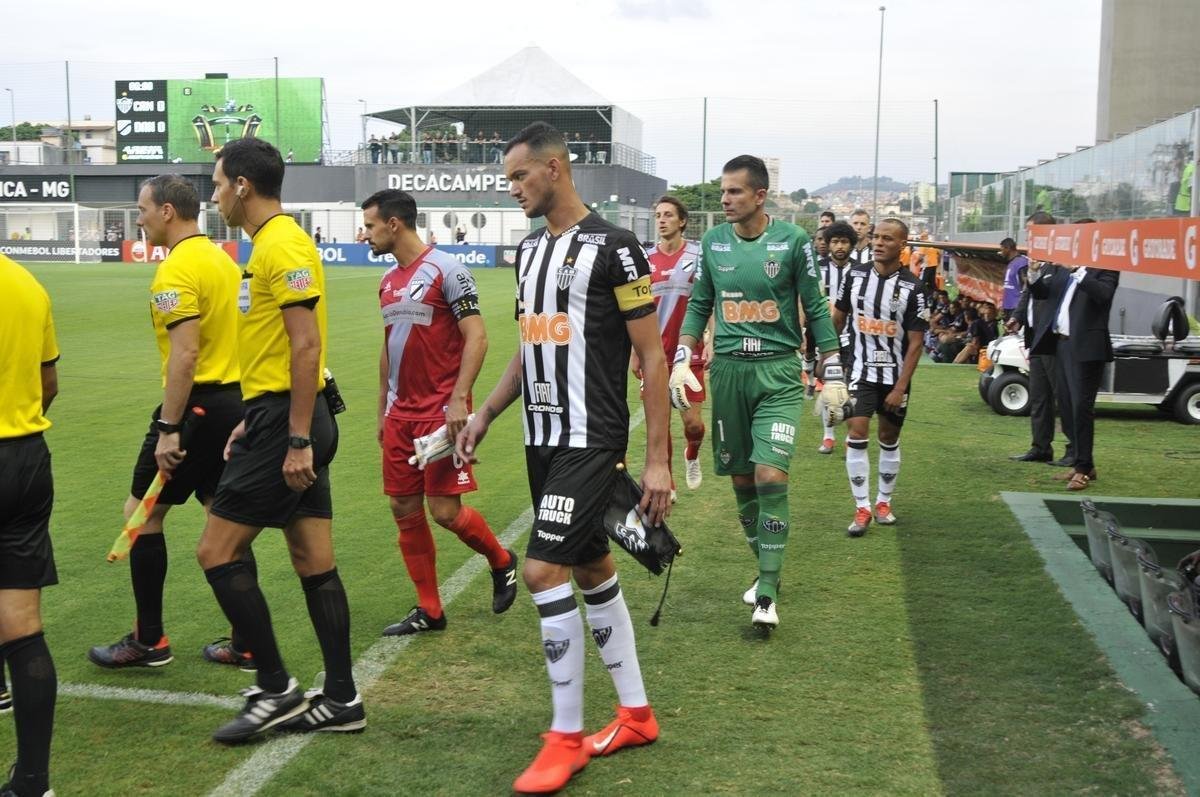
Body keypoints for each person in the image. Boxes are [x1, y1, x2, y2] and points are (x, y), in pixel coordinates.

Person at [456, 122, 671, 795]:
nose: (513, 189)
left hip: (591, 436)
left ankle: (565, 736)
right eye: (509, 180)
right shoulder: (527, 252)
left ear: (556, 167)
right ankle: (636, 713)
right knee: (590, 563)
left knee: (543, 567)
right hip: (540, 436)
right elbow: (529, 343)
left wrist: (657, 460)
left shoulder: (616, 247)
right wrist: (488, 411)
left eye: (520, 176)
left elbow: (653, 355)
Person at [198, 137, 363, 742]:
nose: (214, 194)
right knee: (312, 557)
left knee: (216, 551)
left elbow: (306, 345)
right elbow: (278, 347)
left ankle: (276, 689)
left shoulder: (284, 243)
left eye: (217, 183)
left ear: (242, 184)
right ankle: (342, 698)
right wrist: (254, 411)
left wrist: (294, 438)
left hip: (293, 424)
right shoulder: (266, 245)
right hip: (279, 413)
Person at [86, 175, 252, 672]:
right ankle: (246, 642)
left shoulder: (175, 272)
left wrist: (169, 426)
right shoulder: (224, 262)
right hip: (233, 403)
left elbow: (186, 355)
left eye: (141, 209)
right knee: (222, 523)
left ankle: (149, 640)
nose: (137, 218)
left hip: (196, 410)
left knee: (142, 512)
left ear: (166, 212)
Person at [675, 155, 847, 629]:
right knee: (742, 482)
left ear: (759, 195)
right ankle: (766, 568)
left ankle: (767, 591)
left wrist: (831, 370)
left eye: (734, 191)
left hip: (777, 376)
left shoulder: (792, 241)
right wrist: (682, 355)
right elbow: (701, 304)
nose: (725, 200)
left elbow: (815, 307)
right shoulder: (713, 242)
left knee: (771, 475)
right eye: (723, 191)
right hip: (728, 373)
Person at [360, 189, 518, 636]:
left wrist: (458, 398)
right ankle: (430, 610)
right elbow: (388, 350)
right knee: (402, 506)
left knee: (445, 512)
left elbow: (478, 337)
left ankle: (501, 560)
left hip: (439, 413)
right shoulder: (387, 281)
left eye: (370, 225)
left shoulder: (448, 270)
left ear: (394, 224)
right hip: (400, 414)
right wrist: (381, 410)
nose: (365, 233)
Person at [0, 253, 59, 797]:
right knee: (22, 624)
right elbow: (49, 381)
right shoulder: (26, 282)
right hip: (25, 457)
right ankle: (32, 781)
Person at [832, 218, 929, 538]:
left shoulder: (914, 288)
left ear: (902, 245)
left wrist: (901, 386)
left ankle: (883, 502)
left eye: (888, 239)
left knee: (888, 438)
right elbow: (837, 317)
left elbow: (916, 343)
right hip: (860, 372)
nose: (878, 242)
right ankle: (862, 508)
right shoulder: (855, 276)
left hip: (895, 377)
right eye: (875, 237)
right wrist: (827, 356)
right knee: (856, 432)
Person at [1026, 226, 1118, 491]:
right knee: (1066, 406)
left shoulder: (1105, 267)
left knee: (1080, 408)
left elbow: (1103, 295)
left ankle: (1082, 469)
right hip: (1062, 346)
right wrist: (1033, 273)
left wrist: (1077, 269)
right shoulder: (1062, 268)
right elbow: (1043, 292)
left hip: (1087, 348)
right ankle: (1082, 462)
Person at [635, 195, 707, 495]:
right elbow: (636, 310)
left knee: (693, 424)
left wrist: (711, 340)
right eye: (658, 215)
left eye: (668, 215)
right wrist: (634, 352)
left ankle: (692, 451)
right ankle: (668, 480)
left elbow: (708, 301)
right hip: (654, 354)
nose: (661, 220)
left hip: (689, 354)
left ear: (682, 221)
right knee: (658, 424)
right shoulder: (645, 260)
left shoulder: (698, 255)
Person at [1009, 212, 1073, 466]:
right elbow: (1029, 294)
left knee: (1063, 396)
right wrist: (1018, 316)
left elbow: (1049, 296)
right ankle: (1040, 447)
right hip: (1035, 339)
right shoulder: (1039, 262)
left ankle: (1073, 449)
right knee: (1039, 397)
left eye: (1032, 231)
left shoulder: (1062, 262)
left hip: (1053, 341)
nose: (1028, 236)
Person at [814, 221, 857, 452]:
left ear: (851, 244)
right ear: (828, 244)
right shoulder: (817, 270)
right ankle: (828, 436)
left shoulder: (861, 271)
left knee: (851, 388)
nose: (839, 246)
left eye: (844, 241)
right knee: (830, 387)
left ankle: (852, 435)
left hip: (854, 338)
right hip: (827, 337)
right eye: (835, 241)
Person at [999, 237, 1028, 323]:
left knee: (1015, 335)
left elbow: (1025, 285)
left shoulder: (1022, 262)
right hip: (1008, 307)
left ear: (1008, 248)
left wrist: (1020, 308)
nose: (1001, 252)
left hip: (1016, 307)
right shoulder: (1011, 263)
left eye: (1002, 249)